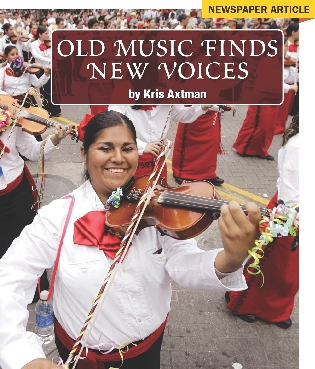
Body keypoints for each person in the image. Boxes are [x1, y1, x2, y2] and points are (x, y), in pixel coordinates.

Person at [0, 110, 262, 369]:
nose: (118, 158)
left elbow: (182, 262)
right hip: (84, 358)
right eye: (105, 148)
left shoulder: (157, 208)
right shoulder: (56, 217)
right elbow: (9, 280)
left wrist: (230, 258)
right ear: (84, 154)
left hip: (148, 350)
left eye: (128, 148)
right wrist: (25, 357)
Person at [225, 114, 299, 329]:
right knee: (272, 265)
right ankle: (243, 303)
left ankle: (274, 309)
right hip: (290, 214)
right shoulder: (299, 146)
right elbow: (291, 194)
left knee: (290, 273)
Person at [107, 105, 220, 179]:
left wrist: (202, 107)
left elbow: (180, 114)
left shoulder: (166, 91)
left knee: (157, 196)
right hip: (129, 155)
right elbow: (113, 125)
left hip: (157, 157)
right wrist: (140, 146)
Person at [172, 105, 236, 186]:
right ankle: (182, 173)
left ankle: (208, 174)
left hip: (211, 116)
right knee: (188, 145)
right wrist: (220, 106)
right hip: (193, 113)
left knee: (211, 145)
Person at [31, 25, 61, 118]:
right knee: (44, 91)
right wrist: (48, 60)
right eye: (45, 34)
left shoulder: (49, 43)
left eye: (48, 33)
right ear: (40, 34)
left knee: (54, 89)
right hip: (41, 69)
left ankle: (56, 110)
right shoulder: (34, 44)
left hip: (51, 68)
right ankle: (47, 110)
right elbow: (36, 55)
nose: (47, 35)